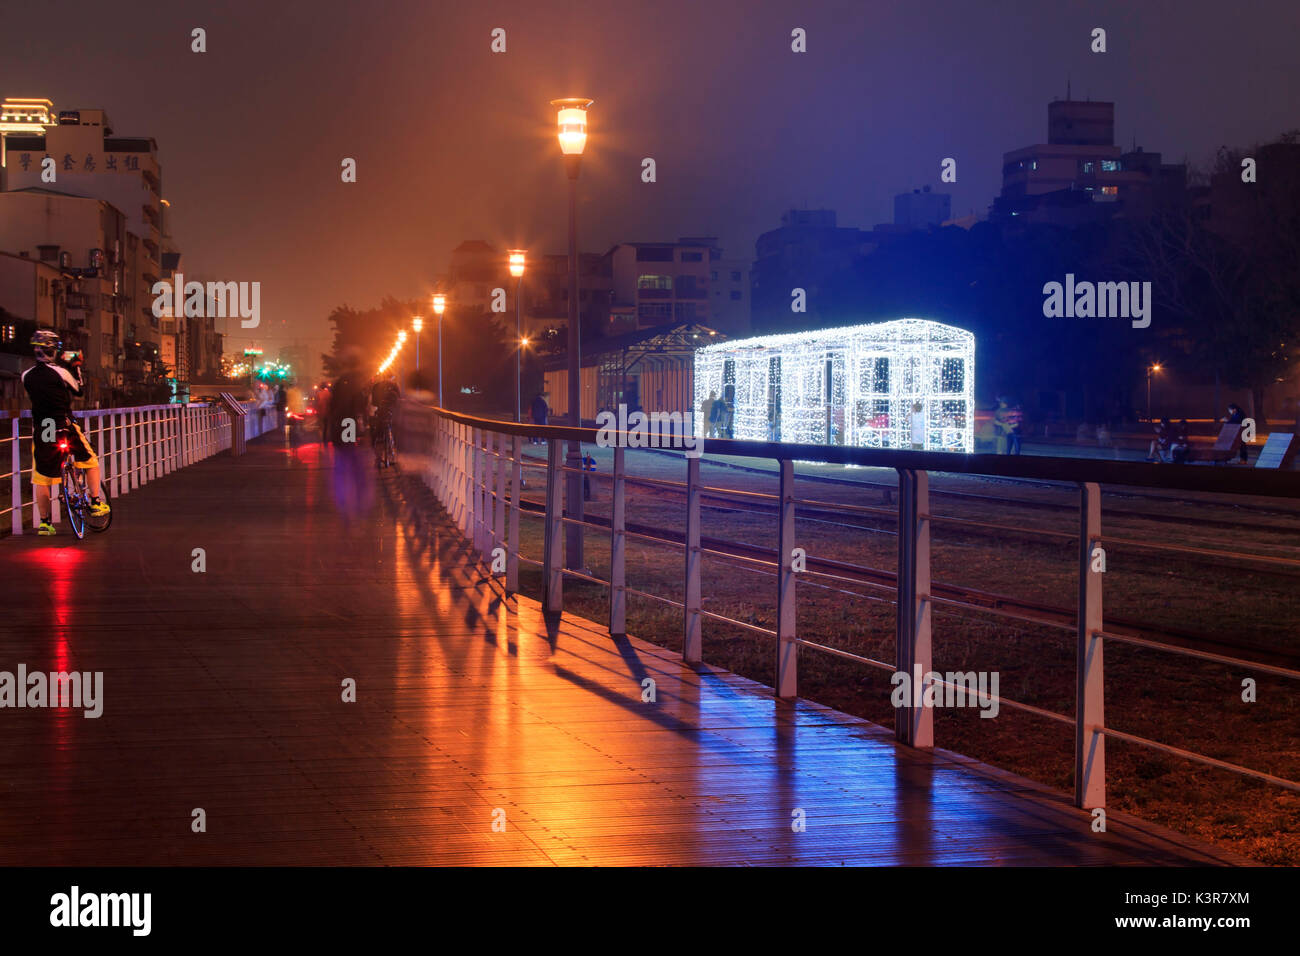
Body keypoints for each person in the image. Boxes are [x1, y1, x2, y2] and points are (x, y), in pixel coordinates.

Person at [21, 330, 110, 535]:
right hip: (64, 423)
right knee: (90, 461)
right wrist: (75, 366)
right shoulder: (61, 373)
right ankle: (95, 502)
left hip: (44, 427)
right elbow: (79, 390)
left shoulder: (26, 376)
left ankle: (44, 523)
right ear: (53, 351)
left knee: (41, 477)